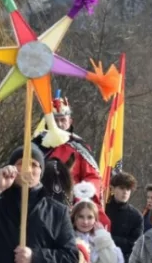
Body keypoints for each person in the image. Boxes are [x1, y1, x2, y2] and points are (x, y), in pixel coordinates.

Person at [33, 96, 107, 225]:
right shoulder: (35, 146)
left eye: (63, 120)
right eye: (55, 120)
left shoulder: (79, 147)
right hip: (39, 204)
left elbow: (93, 177)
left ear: (70, 121)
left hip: (71, 206)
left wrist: (79, 195)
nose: (60, 124)